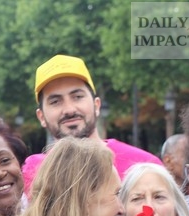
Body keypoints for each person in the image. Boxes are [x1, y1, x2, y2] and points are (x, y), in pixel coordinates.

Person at [24, 55, 162, 188]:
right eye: (55, 101)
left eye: (77, 97)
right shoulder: (32, 173)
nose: (69, 109)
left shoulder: (143, 165)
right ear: (41, 116)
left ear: (96, 105)